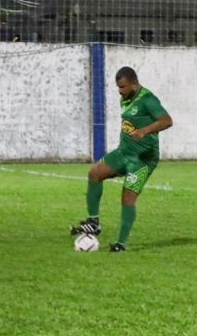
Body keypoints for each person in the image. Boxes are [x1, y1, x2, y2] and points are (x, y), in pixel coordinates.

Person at [70, 67, 173, 251]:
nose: (120, 91)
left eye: (123, 87)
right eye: (118, 87)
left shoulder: (148, 100)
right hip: (123, 153)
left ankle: (120, 244)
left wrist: (144, 131)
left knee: (127, 198)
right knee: (95, 173)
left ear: (134, 83)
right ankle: (94, 222)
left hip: (142, 160)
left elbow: (167, 121)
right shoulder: (126, 98)